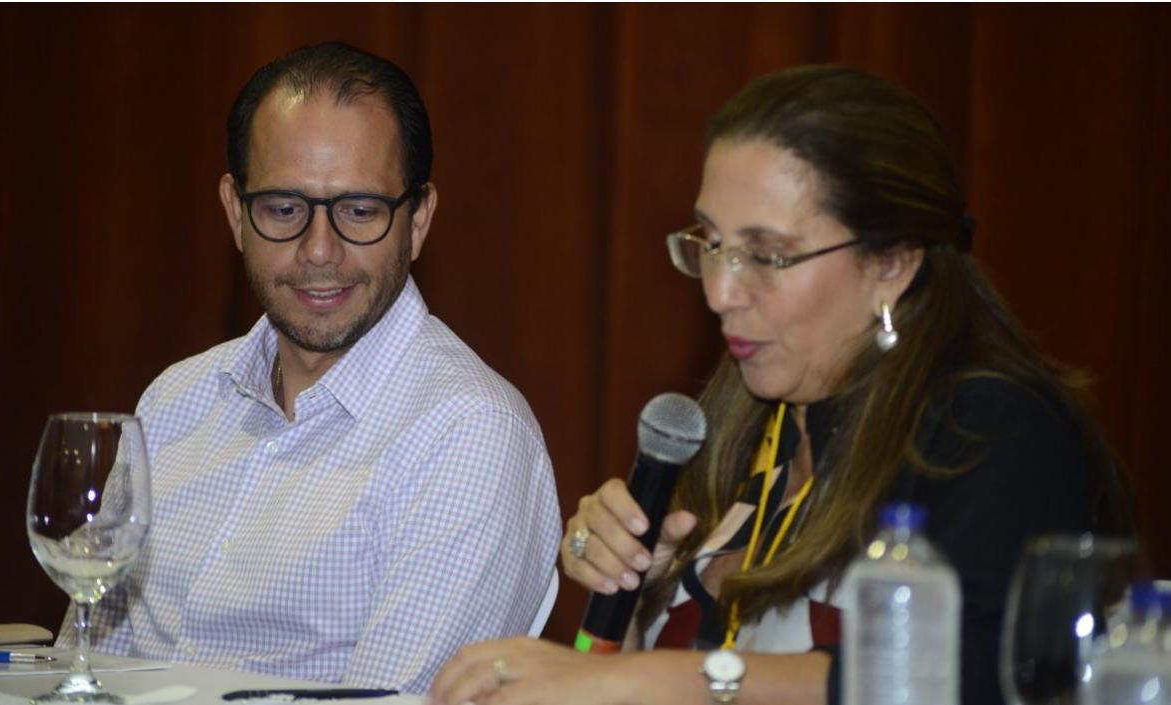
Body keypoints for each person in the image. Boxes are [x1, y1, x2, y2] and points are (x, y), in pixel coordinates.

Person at [431, 65, 1131, 705]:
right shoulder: (739, 422)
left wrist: (653, 678)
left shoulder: (995, 430)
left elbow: (973, 677)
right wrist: (632, 582)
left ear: (892, 262)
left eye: (768, 255)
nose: (721, 292)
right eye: (711, 244)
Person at [58, 42, 562, 693]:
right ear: (236, 213)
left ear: (418, 220)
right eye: (283, 208)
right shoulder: (173, 400)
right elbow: (77, 669)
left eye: (359, 210)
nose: (319, 251)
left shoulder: (469, 434)